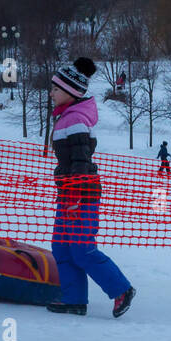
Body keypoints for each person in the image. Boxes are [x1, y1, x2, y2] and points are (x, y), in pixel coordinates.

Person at [46, 57, 135, 318]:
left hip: (81, 194)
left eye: (55, 89)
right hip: (68, 192)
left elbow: (81, 163)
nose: (51, 93)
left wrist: (74, 195)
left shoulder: (75, 121)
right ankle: (74, 299)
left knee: (81, 248)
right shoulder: (66, 118)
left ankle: (121, 289)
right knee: (62, 247)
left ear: (71, 92)